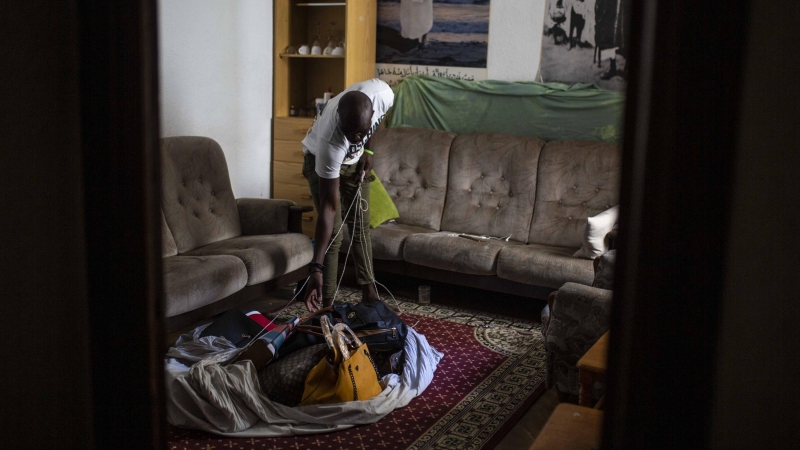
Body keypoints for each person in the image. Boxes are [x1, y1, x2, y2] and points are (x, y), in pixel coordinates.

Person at [301, 79, 394, 313]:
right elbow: (328, 208)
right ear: (341, 122)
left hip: (354, 164)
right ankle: (327, 306)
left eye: (360, 133)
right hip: (318, 160)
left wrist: (369, 151)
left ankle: (369, 295)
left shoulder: (383, 95)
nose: (354, 139)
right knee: (334, 234)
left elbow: (376, 122)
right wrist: (316, 268)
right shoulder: (330, 141)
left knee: (360, 227)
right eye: (349, 132)